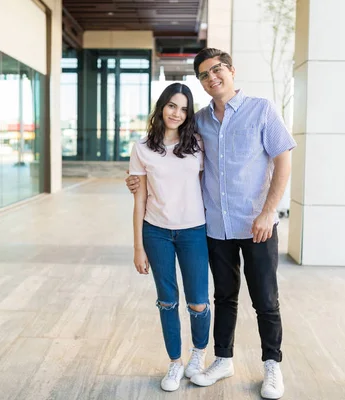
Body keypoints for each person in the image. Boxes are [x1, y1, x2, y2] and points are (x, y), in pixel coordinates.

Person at [126, 48, 296, 399]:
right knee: (225, 297)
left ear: (232, 70)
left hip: (256, 224)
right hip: (215, 227)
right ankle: (223, 359)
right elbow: (165, 162)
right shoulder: (199, 122)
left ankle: (272, 365)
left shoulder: (261, 109)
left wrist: (269, 212)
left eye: (217, 70)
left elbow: (283, 162)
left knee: (265, 299)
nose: (212, 77)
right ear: (200, 83)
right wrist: (133, 181)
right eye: (204, 74)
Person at [130, 82, 211, 392]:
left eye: (183, 108)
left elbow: (208, 184)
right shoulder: (142, 149)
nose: (177, 113)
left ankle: (198, 357)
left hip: (193, 231)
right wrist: (138, 247)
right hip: (156, 232)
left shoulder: (198, 145)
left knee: (198, 302)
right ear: (162, 107)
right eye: (172, 106)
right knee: (166, 301)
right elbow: (139, 200)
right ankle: (175, 363)